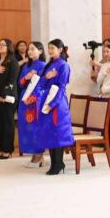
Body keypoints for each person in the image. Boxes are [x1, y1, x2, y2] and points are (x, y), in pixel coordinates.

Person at [33, 39, 75, 176]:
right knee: (49, 132)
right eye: (49, 48)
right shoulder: (49, 65)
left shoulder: (64, 66)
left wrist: (52, 104)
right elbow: (41, 84)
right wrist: (47, 76)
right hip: (46, 100)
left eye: (53, 48)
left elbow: (62, 88)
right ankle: (54, 163)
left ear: (60, 50)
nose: (50, 50)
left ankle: (59, 163)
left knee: (58, 133)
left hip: (57, 102)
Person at [18, 42, 48, 168]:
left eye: (32, 49)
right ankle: (34, 155)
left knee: (35, 127)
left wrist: (32, 97)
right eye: (28, 50)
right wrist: (26, 77)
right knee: (26, 128)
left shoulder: (43, 65)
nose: (29, 51)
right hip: (24, 98)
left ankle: (39, 156)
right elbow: (20, 83)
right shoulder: (26, 65)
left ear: (40, 51)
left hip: (35, 99)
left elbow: (43, 84)